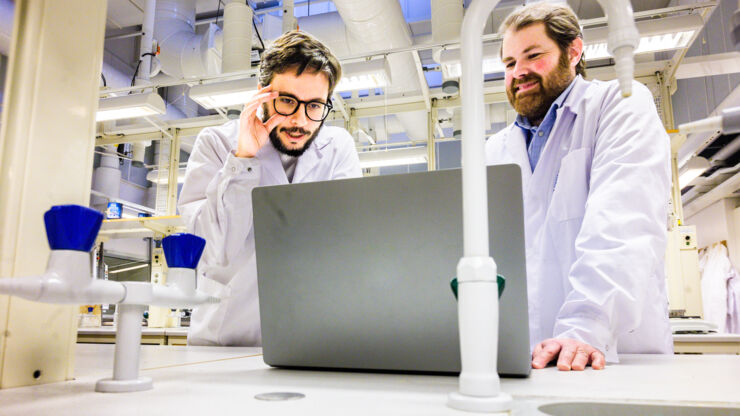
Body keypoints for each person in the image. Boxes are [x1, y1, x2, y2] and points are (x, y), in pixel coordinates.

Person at [486, 4, 672, 371]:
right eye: (509, 63)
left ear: (574, 52)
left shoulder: (620, 106)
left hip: (610, 353)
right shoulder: (494, 149)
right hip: (527, 358)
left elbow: (622, 226)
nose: (518, 72)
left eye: (533, 55)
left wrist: (586, 325)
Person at [179, 31, 362, 346]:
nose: (300, 121)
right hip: (228, 337)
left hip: (313, 335)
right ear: (261, 93)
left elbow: (348, 246)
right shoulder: (216, 144)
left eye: (315, 106)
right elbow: (215, 251)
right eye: (287, 101)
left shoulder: (337, 147)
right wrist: (243, 159)